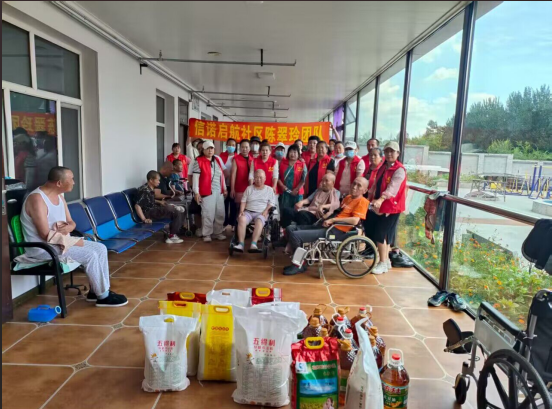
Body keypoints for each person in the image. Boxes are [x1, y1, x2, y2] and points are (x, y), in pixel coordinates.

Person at [20, 166, 128, 307]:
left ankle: (96, 291)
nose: (74, 182)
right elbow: (45, 235)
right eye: (71, 179)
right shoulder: (37, 199)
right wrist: (72, 240)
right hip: (43, 248)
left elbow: (71, 222)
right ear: (59, 183)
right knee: (90, 254)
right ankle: (103, 297)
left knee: (100, 248)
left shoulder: (60, 197)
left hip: (61, 243)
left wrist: (69, 228)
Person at [283, 177, 369, 275]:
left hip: (337, 231)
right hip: (328, 226)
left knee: (295, 235)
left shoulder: (363, 201)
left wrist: (333, 220)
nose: (354, 187)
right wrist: (327, 215)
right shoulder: (348, 198)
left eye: (359, 186)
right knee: (290, 229)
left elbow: (355, 220)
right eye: (354, 183)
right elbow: (337, 212)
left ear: (365, 190)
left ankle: (299, 265)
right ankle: (300, 260)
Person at [364, 141, 407, 275]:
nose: (389, 154)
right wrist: (370, 195)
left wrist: (381, 199)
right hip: (380, 205)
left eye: (392, 151)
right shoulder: (383, 167)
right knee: (386, 234)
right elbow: (376, 184)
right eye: (387, 151)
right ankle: (386, 260)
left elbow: (392, 188)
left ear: (398, 153)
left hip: (391, 206)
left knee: (381, 234)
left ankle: (382, 263)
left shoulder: (399, 170)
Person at [136, 171, 186, 244]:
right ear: (151, 180)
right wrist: (144, 219)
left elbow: (148, 200)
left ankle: (174, 210)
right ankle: (172, 236)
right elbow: (137, 205)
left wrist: (159, 202)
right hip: (149, 213)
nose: (159, 182)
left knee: (177, 208)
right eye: (157, 180)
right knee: (175, 212)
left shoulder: (149, 188)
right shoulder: (144, 190)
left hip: (154, 209)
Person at [192, 140, 227, 242]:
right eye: (208, 148)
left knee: (220, 213)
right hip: (206, 192)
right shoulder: (198, 161)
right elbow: (195, 178)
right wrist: (196, 192)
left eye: (212, 148)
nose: (210, 150)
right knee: (208, 214)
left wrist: (224, 188)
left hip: (219, 191)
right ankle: (207, 234)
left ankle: (218, 232)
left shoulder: (217, 160)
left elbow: (222, 176)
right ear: (203, 150)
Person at [234, 170, 276, 253]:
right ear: (254, 178)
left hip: (261, 212)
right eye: (256, 177)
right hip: (248, 211)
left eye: (261, 177)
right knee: (241, 219)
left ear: (265, 178)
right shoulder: (249, 188)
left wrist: (266, 211)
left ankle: (253, 244)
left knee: (259, 221)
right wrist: (241, 211)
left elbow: (272, 203)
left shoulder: (269, 190)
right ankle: (241, 244)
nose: (258, 179)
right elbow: (243, 201)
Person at [277, 144, 307, 210]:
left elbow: (304, 179)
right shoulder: (282, 163)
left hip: (297, 193)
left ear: (298, 154)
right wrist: (282, 186)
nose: (292, 154)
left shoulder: (302, 164)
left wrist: (297, 189)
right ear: (288, 153)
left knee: (296, 212)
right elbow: (277, 177)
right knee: (284, 211)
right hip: (284, 192)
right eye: (291, 152)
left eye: (295, 152)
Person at [230, 140, 253, 225]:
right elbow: (233, 175)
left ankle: (245, 227)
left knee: (248, 209)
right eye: (242, 147)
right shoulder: (236, 159)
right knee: (239, 209)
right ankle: (237, 227)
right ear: (240, 148)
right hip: (239, 188)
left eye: (246, 147)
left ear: (249, 148)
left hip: (250, 189)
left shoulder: (252, 160)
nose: (244, 149)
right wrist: (232, 189)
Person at [220, 138, 237, 227]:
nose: (231, 147)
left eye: (233, 145)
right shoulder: (221, 156)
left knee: (234, 205)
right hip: (224, 185)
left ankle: (233, 224)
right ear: (226, 145)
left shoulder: (237, 157)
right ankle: (224, 223)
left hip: (234, 185)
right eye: (229, 145)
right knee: (224, 205)